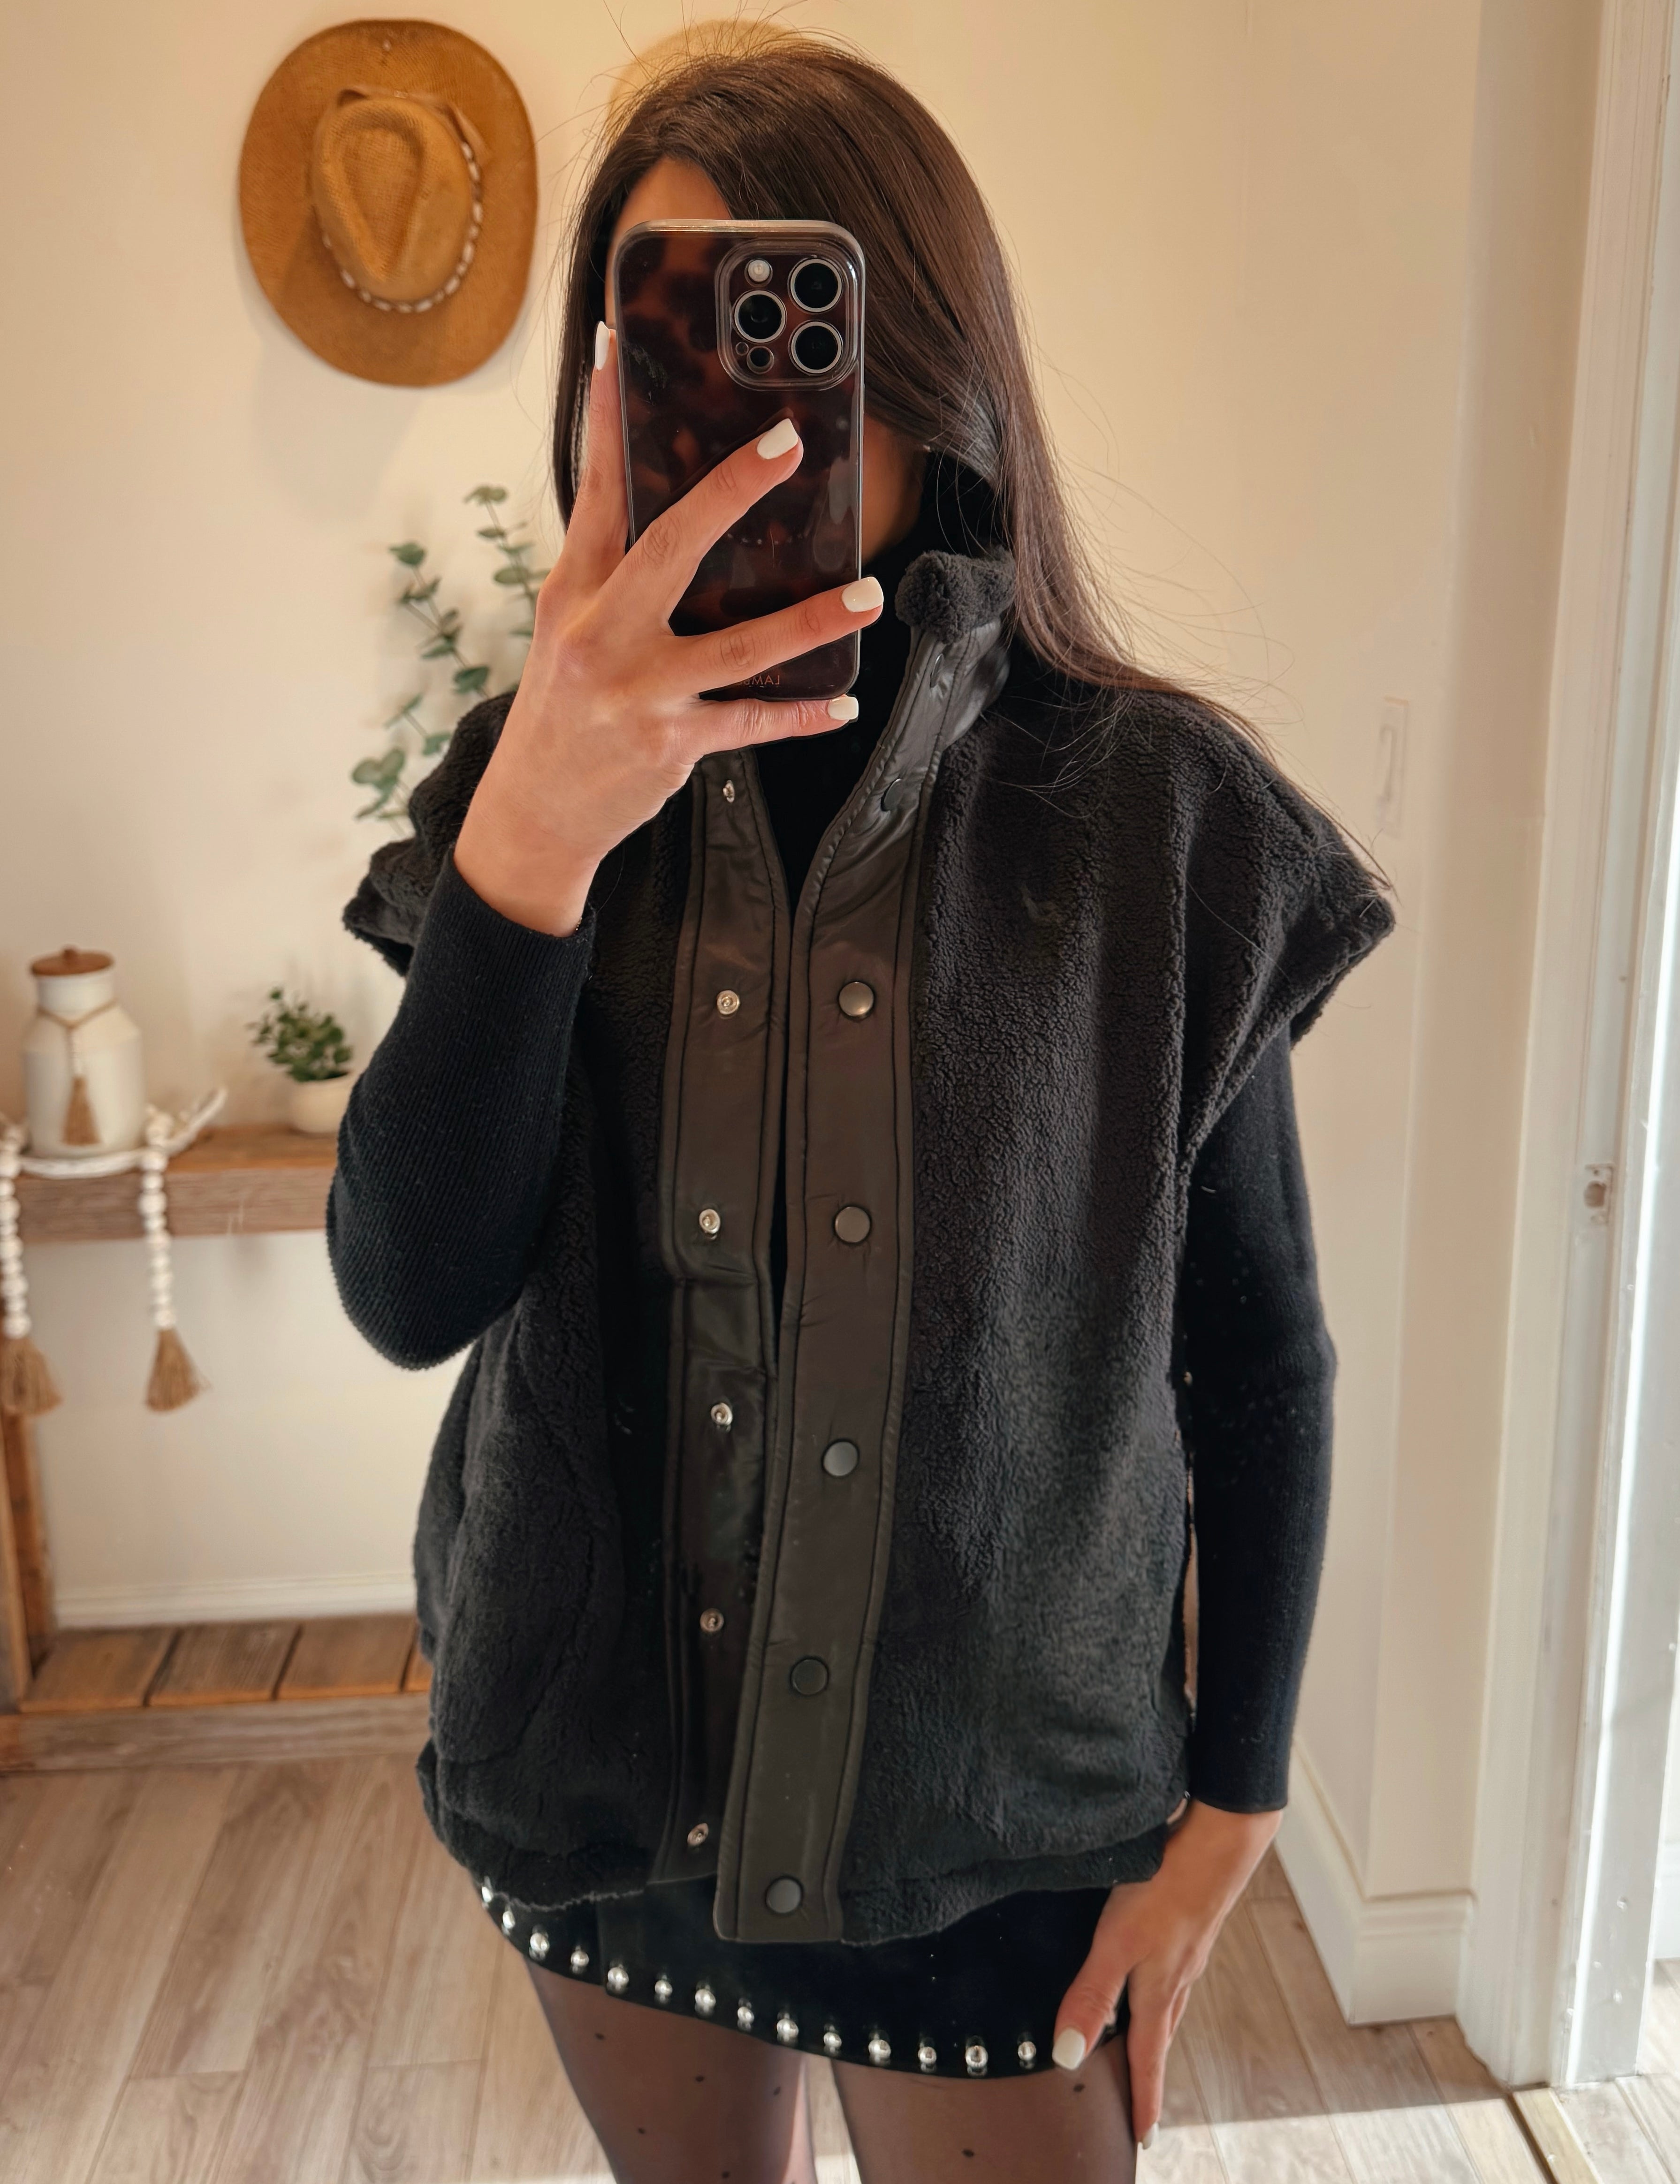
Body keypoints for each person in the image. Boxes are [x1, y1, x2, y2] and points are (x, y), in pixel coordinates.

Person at [330, 24, 1395, 2183]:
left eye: (780, 336)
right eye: (660, 344)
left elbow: (1256, 1357)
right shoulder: (514, 795)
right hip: (605, 1785)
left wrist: (1236, 1803)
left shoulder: (1160, 823)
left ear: (915, 366)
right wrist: (528, 849)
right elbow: (408, 1292)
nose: (725, 417)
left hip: (998, 1827)